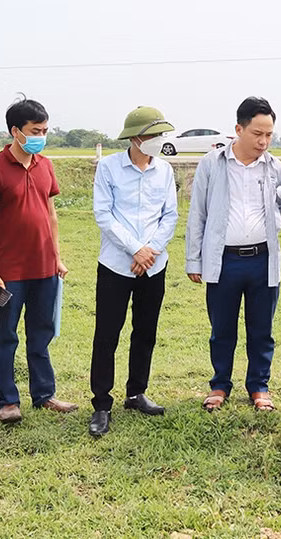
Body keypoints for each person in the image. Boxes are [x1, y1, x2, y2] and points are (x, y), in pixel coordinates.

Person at [0, 96, 77, 424]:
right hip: (10, 273)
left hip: (44, 269)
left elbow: (51, 215)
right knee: (6, 333)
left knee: (41, 331)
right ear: (15, 131)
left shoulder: (45, 164)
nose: (41, 136)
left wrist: (57, 257)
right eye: (36, 130)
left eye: (46, 130)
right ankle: (7, 401)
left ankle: (44, 394)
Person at [186, 97, 281, 412]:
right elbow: (198, 213)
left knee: (262, 329)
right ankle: (220, 385)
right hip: (224, 259)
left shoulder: (275, 167)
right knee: (222, 328)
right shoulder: (212, 164)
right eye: (257, 133)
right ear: (238, 129)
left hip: (263, 258)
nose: (263, 141)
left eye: (269, 134)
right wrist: (194, 259)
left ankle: (259, 386)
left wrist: (276, 222)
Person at [87, 106, 179, 437]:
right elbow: (103, 214)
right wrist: (135, 249)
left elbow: (170, 215)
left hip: (154, 265)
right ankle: (101, 404)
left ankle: (136, 392)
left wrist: (149, 250)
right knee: (107, 334)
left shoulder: (165, 171)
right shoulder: (110, 167)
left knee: (145, 332)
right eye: (154, 135)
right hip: (115, 264)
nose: (158, 141)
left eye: (161, 136)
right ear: (137, 137)